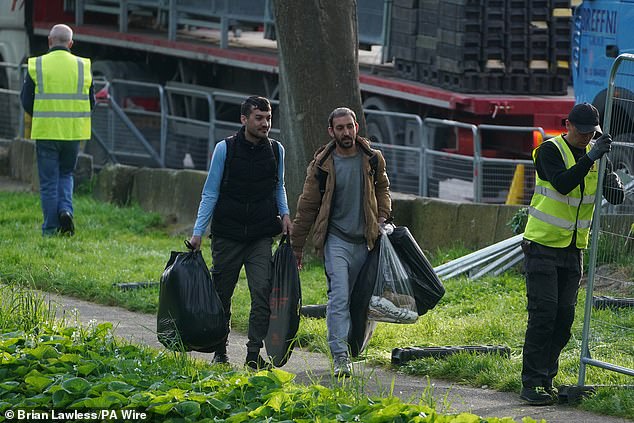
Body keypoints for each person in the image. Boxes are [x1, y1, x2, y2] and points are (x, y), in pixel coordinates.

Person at [520, 102, 624, 405]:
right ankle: (532, 383)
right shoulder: (549, 151)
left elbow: (615, 199)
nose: (585, 138)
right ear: (568, 125)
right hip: (542, 245)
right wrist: (591, 157)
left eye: (590, 133)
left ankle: (546, 379)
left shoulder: (597, 155)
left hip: (573, 248)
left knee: (563, 318)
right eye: (581, 132)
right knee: (544, 314)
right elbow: (563, 185)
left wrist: (610, 174)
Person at [189, 96, 292, 370]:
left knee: (262, 291)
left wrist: (285, 214)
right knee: (222, 294)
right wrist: (198, 232)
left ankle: (253, 353)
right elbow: (210, 191)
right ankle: (220, 350)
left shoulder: (277, 150)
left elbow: (278, 186)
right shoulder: (225, 149)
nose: (265, 124)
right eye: (259, 118)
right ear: (244, 119)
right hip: (227, 235)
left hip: (260, 235)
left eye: (268, 118)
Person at [291, 107, 392, 378]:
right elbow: (307, 207)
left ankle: (354, 347)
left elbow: (383, 188)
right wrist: (296, 246)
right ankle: (339, 356)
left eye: (349, 126)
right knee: (338, 297)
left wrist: (382, 215)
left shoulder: (372, 159)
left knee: (362, 301)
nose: (346, 132)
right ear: (331, 131)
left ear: (356, 126)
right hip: (336, 241)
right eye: (340, 128)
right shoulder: (322, 165)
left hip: (366, 241)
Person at [21, 24, 95, 236]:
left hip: (46, 132)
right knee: (66, 174)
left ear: (49, 41)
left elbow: (26, 101)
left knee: (48, 182)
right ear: (71, 43)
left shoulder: (37, 65)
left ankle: (51, 229)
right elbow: (91, 103)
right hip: (73, 133)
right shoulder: (83, 66)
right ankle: (65, 210)